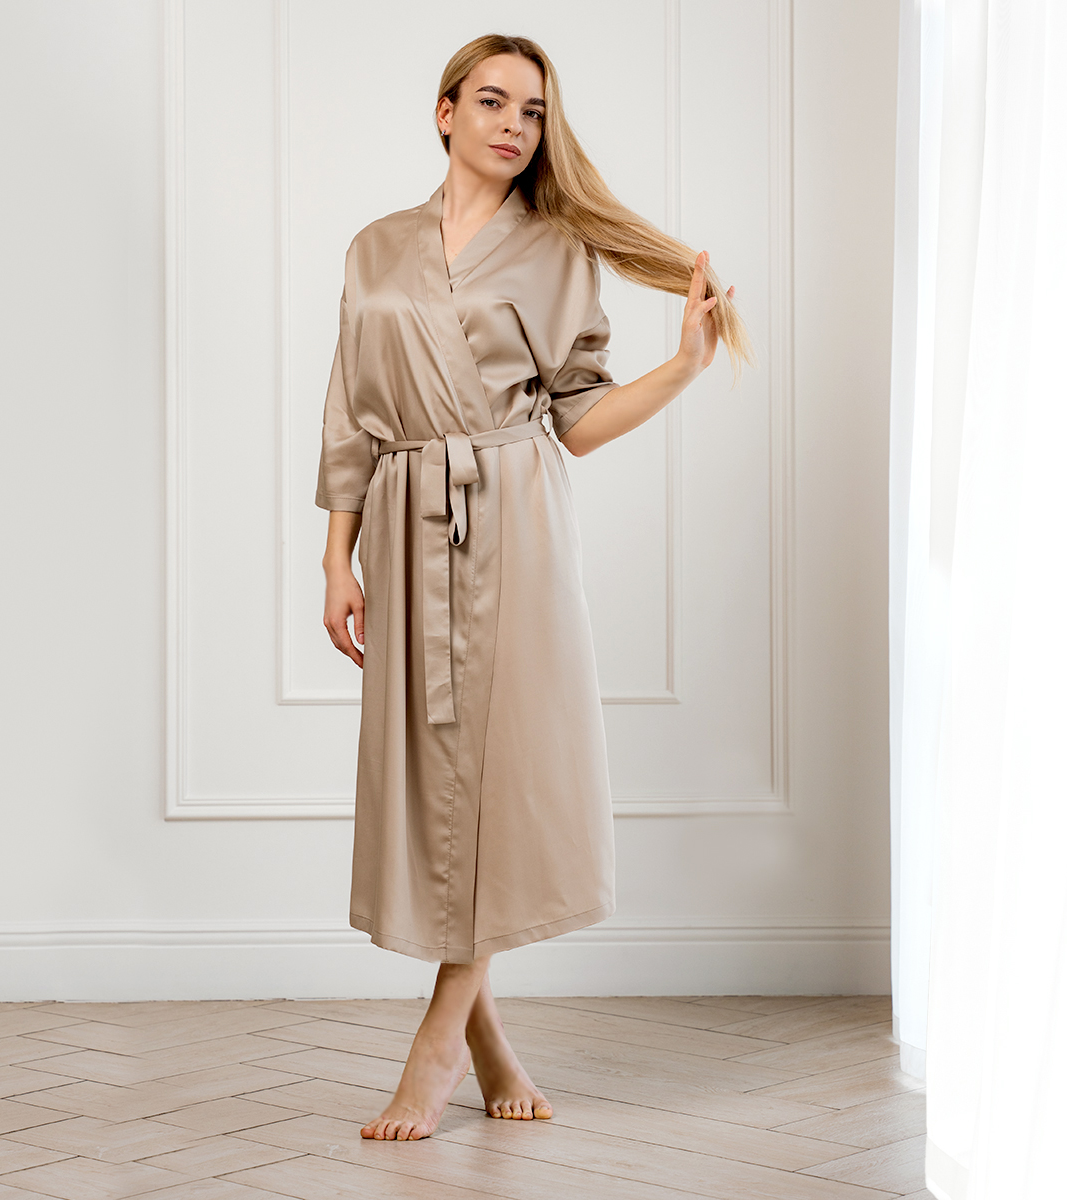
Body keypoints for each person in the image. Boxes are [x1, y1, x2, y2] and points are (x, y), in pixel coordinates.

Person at [315, 33, 753, 1142]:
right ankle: (493, 1043)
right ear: (445, 112)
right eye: (493, 102)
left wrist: (684, 365)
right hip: (405, 524)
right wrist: (335, 556)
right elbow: (351, 407)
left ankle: (435, 1045)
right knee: (439, 781)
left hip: (511, 517)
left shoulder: (556, 251)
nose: (515, 125)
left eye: (534, 111)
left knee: (498, 778)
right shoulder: (375, 247)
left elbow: (579, 421)